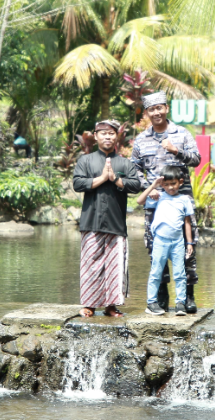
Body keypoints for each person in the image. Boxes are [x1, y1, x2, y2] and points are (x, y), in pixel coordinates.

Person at [130, 92, 201, 313]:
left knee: (187, 246)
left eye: (159, 108)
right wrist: (146, 187)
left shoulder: (182, 133)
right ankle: (162, 295)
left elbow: (197, 159)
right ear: (147, 112)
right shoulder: (141, 139)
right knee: (155, 248)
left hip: (182, 201)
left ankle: (188, 296)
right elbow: (134, 169)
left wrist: (176, 151)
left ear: (166, 108)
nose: (156, 112)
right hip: (155, 204)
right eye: (152, 109)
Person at [73, 119, 142, 318]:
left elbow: (135, 185)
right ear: (95, 136)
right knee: (91, 265)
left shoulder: (124, 163)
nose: (107, 136)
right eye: (103, 133)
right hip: (91, 221)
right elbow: (77, 183)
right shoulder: (85, 161)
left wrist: (116, 180)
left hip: (116, 223)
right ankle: (90, 305)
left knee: (115, 266)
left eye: (111, 133)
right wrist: (102, 178)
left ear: (117, 137)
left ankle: (111, 306)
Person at [136, 166, 194, 316]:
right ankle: (151, 302)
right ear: (162, 184)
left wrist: (189, 243)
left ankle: (180, 303)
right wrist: (153, 186)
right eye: (166, 184)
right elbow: (139, 200)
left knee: (180, 273)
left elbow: (187, 222)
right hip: (160, 241)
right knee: (156, 272)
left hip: (178, 242)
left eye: (173, 184)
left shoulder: (184, 200)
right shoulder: (158, 196)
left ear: (180, 182)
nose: (170, 187)